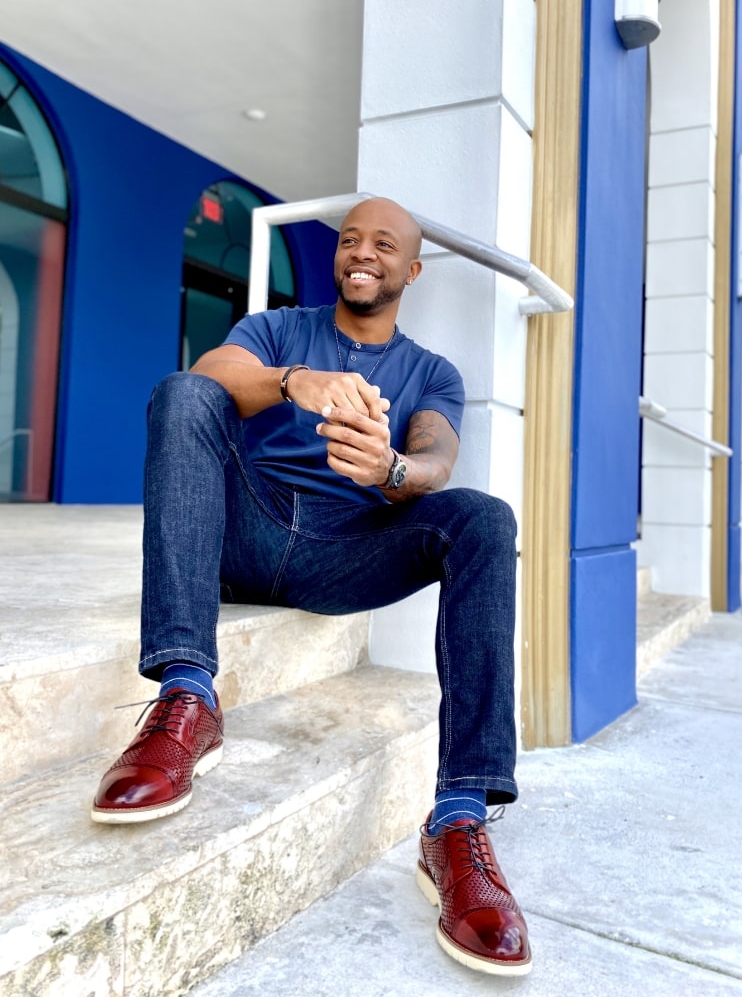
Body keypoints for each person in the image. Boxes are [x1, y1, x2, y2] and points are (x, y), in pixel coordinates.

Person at [91, 197, 532, 976]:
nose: (361, 253)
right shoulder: (279, 329)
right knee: (184, 392)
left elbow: (437, 462)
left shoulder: (431, 373)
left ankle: (458, 821)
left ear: (412, 268)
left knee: (484, 519)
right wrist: (296, 381)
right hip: (246, 531)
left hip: (345, 552)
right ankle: (188, 698)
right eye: (350, 239)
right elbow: (210, 376)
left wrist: (392, 470)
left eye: (383, 244)